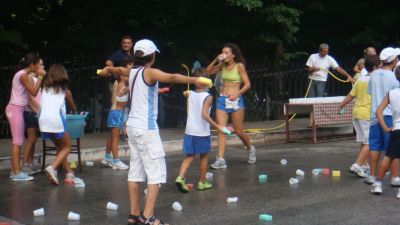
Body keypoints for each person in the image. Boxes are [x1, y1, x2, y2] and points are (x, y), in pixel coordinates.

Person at [99, 39, 203, 225]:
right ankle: (148, 217)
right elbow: (171, 77)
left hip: (132, 126)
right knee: (156, 172)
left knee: (136, 171)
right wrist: (194, 79)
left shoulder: (133, 71)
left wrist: (109, 70)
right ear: (151, 55)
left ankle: (134, 214)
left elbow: (120, 71)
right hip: (146, 129)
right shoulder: (149, 71)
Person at [206, 43, 256, 170]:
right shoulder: (222, 65)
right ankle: (221, 159)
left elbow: (247, 84)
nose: (224, 54)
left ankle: (250, 148)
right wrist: (216, 60)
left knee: (238, 131)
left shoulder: (239, 66)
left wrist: (237, 93)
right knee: (221, 129)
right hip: (222, 99)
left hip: (235, 100)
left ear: (233, 55)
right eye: (223, 52)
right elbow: (208, 71)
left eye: (227, 52)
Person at [175, 68, 224, 193]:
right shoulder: (208, 97)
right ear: (208, 82)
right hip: (201, 131)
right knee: (204, 156)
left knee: (189, 155)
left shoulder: (191, 94)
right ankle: (202, 182)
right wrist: (218, 126)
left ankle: (180, 177)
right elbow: (204, 115)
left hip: (190, 130)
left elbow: (186, 94)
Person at [40, 64, 83, 185]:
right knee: (67, 147)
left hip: (43, 120)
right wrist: (74, 110)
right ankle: (52, 168)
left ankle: (68, 171)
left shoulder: (44, 88)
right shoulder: (65, 91)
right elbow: (73, 106)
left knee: (60, 147)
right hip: (57, 119)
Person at [339, 55, 381, 178]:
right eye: (379, 66)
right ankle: (357, 165)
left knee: (364, 141)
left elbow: (350, 95)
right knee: (370, 142)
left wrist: (341, 105)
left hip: (357, 113)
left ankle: (362, 164)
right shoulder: (376, 80)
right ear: (375, 67)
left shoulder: (361, 80)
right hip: (367, 114)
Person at [6, 53, 46, 181]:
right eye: (38, 64)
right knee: (17, 142)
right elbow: (33, 92)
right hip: (15, 109)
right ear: (32, 65)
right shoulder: (22, 75)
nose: (40, 67)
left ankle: (15, 171)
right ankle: (16, 173)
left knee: (19, 140)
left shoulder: (23, 75)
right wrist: (40, 76)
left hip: (18, 109)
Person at [366, 47, 400, 187]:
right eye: (396, 58)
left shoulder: (373, 74)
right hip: (389, 116)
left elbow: (370, 93)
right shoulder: (393, 77)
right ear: (392, 60)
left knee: (374, 146)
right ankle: (394, 176)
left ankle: (372, 175)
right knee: (391, 149)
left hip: (374, 114)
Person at [305, 43, 354, 127]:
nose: (325, 53)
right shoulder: (313, 56)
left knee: (319, 101)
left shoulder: (329, 58)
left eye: (327, 52)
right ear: (319, 50)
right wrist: (314, 69)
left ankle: (317, 121)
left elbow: (338, 68)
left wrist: (348, 75)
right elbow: (308, 70)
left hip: (322, 81)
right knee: (311, 101)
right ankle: (311, 121)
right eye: (324, 52)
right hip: (312, 80)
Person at [101, 59, 132, 170]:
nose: (130, 72)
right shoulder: (123, 84)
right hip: (117, 113)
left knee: (111, 137)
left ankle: (107, 157)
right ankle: (116, 161)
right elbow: (132, 80)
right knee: (115, 139)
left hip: (115, 112)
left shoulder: (118, 82)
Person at [371, 84, 400, 197]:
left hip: (396, 129)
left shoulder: (391, 93)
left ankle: (378, 184)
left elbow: (378, 111)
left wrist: (385, 128)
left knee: (388, 156)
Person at [21, 58, 44, 175]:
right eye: (41, 64)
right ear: (34, 65)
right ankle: (25, 163)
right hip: (30, 112)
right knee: (31, 138)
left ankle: (30, 162)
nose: (43, 67)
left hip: (35, 111)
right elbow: (29, 98)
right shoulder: (29, 78)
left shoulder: (35, 79)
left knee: (34, 138)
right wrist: (37, 110)